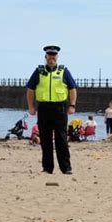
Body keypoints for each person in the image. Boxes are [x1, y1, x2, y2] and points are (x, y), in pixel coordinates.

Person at [26, 45, 77, 174]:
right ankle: (47, 168)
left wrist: (72, 105)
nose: (51, 58)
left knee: (61, 139)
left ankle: (66, 168)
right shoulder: (39, 71)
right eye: (49, 56)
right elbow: (30, 90)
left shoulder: (63, 71)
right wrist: (31, 107)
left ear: (57, 57)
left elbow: (72, 89)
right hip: (43, 108)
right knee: (45, 139)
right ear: (46, 57)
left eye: (54, 56)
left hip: (60, 108)